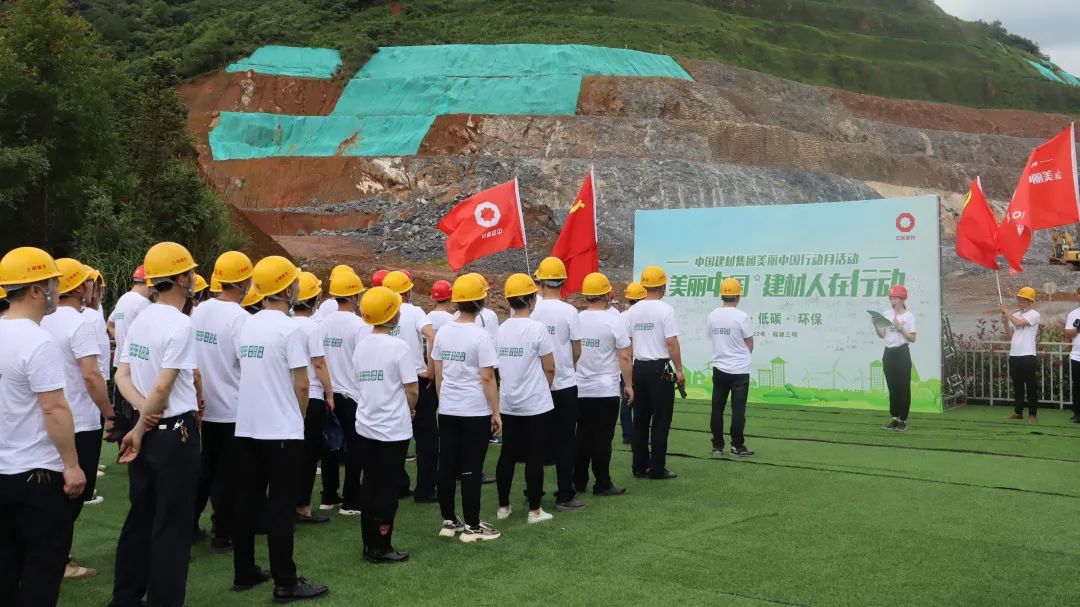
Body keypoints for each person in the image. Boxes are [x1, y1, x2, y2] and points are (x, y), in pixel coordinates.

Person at [111, 242, 202, 607]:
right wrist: (143, 421)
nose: (193, 277)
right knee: (172, 525)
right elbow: (164, 386)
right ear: (181, 278)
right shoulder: (180, 323)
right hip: (173, 434)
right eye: (190, 272)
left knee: (140, 517)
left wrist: (140, 414)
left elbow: (122, 376)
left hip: (148, 428)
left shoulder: (142, 319)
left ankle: (125, 597)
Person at [232, 256, 329, 602]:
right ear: (287, 290)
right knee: (281, 505)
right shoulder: (290, 329)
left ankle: (244, 570)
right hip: (281, 430)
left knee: (247, 500)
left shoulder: (246, 325)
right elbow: (302, 384)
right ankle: (285, 581)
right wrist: (297, 417)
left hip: (247, 426)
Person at [0, 247, 87, 607]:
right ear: (36, 290)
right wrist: (72, 465)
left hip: (4, 470)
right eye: (53, 283)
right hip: (36, 474)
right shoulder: (38, 341)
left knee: (6, 569)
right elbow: (53, 408)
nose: (57, 290)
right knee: (42, 569)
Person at [40, 258, 114, 580]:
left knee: (52, 494)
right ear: (80, 287)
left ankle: (47, 555)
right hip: (79, 420)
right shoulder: (80, 323)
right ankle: (59, 560)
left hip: (48, 418)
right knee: (73, 495)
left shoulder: (42, 319)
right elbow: (91, 376)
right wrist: (109, 413)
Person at [189, 250, 254, 552]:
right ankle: (223, 533)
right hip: (232, 407)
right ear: (244, 282)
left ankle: (189, 525)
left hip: (204, 405)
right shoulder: (241, 319)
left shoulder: (200, 310)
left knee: (205, 470)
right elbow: (247, 363)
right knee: (229, 476)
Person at [432, 274, 502, 542]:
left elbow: (439, 372)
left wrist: (444, 401)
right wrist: (496, 412)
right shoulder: (481, 336)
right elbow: (487, 378)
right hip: (474, 410)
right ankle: (472, 525)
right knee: (471, 468)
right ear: (480, 301)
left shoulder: (443, 332)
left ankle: (449, 520)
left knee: (447, 466)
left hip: (449, 408)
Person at [354, 286, 419, 562]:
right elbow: (412, 389)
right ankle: (382, 545)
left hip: (366, 425)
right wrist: (409, 409)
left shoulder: (361, 346)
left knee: (369, 484)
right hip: (392, 429)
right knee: (387, 490)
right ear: (391, 315)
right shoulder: (398, 347)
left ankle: (369, 544)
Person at [494, 274, 556, 524]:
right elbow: (550, 367)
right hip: (535, 404)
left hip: (508, 402)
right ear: (531, 300)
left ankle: (503, 507)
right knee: (534, 456)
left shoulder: (501, 329)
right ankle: (535, 510)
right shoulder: (537, 328)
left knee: (507, 454)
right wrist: (544, 388)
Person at [530, 257, 586, 511]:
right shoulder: (570, 312)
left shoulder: (531, 310)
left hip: (538, 385)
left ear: (541, 282)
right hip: (564, 385)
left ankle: (533, 492)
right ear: (563, 282)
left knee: (536, 442)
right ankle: (565, 494)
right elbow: (577, 349)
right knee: (565, 441)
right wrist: (567, 367)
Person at [575, 272, 633, 496]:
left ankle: (578, 481)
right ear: (607, 294)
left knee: (582, 435)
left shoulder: (577, 319)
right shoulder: (614, 321)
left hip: (580, 388)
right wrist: (629, 385)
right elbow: (625, 356)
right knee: (602, 437)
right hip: (605, 389)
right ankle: (602, 483)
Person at [382, 271, 438, 503]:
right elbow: (432, 336)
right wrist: (431, 369)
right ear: (407, 291)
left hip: (389, 381)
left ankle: (398, 484)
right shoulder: (414, 311)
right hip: (416, 379)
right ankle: (425, 489)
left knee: (393, 435)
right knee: (427, 439)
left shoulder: (381, 310)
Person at [318, 269, 370, 515]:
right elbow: (364, 360)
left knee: (330, 445)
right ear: (354, 296)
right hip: (352, 393)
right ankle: (351, 499)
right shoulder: (359, 326)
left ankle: (328, 495)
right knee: (355, 447)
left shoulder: (323, 323)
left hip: (329, 391)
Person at [627, 265, 684, 480]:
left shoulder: (632, 311)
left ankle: (639, 466)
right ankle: (657, 467)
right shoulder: (665, 310)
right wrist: (679, 370)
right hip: (660, 369)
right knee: (660, 420)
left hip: (639, 367)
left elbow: (627, 343)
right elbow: (671, 342)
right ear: (662, 286)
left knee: (640, 419)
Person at [291, 272, 335, 524]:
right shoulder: (311, 327)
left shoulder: (287, 323)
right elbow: (318, 363)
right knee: (309, 454)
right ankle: (302, 507)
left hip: (288, 396)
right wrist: (330, 392)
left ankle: (287, 502)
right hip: (311, 395)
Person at [707, 277, 756, 454]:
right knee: (738, 410)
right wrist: (740, 357)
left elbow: (712, 337)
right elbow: (750, 344)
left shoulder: (712, 315)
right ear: (738, 296)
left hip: (719, 367)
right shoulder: (742, 317)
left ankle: (717, 445)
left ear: (722, 295)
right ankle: (737, 445)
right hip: (739, 370)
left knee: (717, 408)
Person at [107, 264, 152, 423]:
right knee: (136, 417)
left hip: (120, 365)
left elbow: (110, 323)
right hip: (135, 369)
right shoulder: (143, 304)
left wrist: (122, 341)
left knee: (122, 418)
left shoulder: (123, 299)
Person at [1002, 287, 1040, 424]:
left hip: (1028, 355)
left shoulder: (1034, 314)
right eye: (1019, 300)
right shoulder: (1016, 314)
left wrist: (1006, 311)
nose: (1021, 302)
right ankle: (1018, 412)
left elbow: (1018, 323)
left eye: (1024, 300)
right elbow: (1010, 336)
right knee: (1017, 385)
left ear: (1030, 302)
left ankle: (1032, 414)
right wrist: (1005, 323)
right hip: (1014, 354)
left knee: (1030, 386)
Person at [619, 282, 646, 444]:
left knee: (626, 400)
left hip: (624, 364)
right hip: (640, 363)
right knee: (641, 401)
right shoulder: (645, 316)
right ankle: (639, 434)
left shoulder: (621, 317)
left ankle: (627, 435)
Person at [1065, 287, 1080, 424]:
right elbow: (1068, 334)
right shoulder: (1073, 314)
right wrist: (1078, 328)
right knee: (1077, 386)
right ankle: (1077, 414)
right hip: (1077, 356)